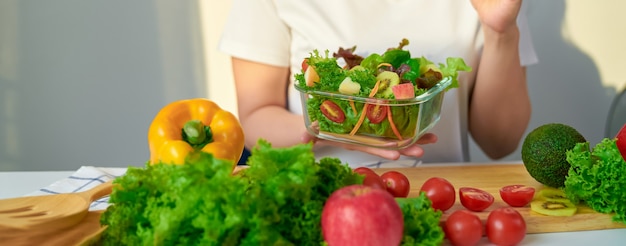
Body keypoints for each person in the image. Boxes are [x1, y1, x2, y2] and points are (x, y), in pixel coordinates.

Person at [219, 0, 538, 167]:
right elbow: (256, 117)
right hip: (321, 195)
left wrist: (500, 32)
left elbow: (500, 142)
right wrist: (336, 131)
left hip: (441, 200)